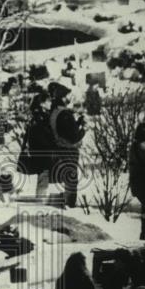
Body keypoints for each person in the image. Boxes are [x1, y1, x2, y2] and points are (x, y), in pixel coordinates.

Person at [47, 80, 85, 208]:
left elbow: (63, 130)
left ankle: (59, 204)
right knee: (70, 180)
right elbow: (73, 137)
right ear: (62, 97)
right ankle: (70, 206)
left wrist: (77, 123)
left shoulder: (54, 111)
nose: (70, 98)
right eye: (67, 95)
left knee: (60, 179)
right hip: (68, 150)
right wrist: (83, 129)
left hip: (58, 149)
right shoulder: (65, 114)